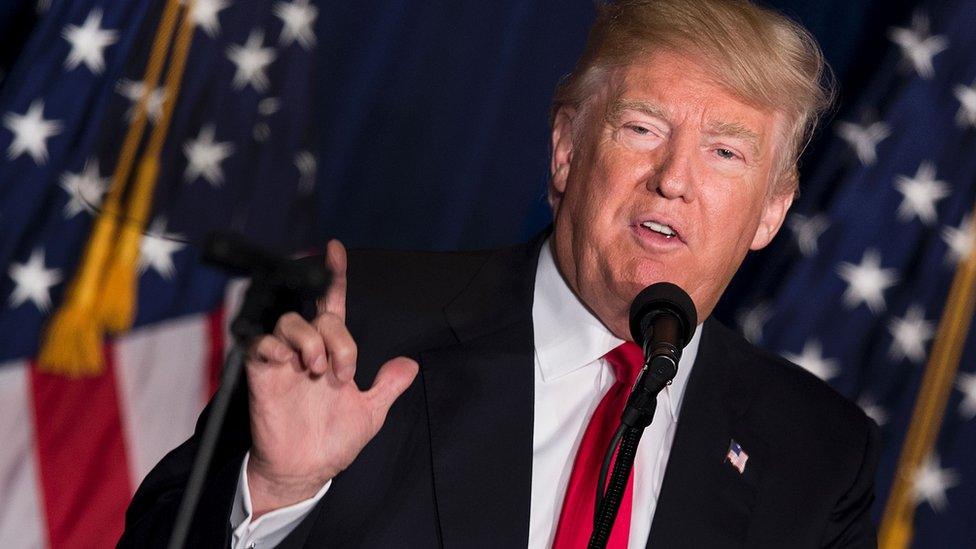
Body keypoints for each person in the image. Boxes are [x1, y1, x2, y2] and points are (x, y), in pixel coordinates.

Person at [121, 0, 880, 547]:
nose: (673, 178)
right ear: (565, 150)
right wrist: (278, 493)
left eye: (726, 151)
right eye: (642, 129)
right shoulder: (362, 328)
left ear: (772, 211)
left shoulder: (817, 454)